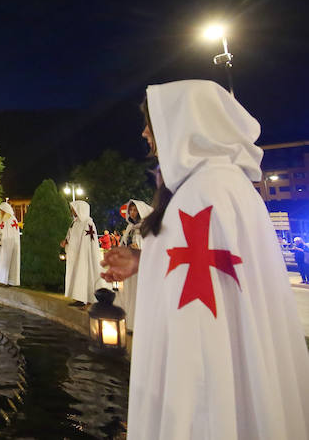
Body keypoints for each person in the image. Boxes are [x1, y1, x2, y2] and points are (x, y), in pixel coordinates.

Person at [101, 80, 309, 439]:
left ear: (184, 122)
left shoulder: (206, 190)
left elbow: (199, 290)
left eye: (152, 121)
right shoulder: (215, 185)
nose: (145, 132)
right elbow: (196, 261)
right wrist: (143, 259)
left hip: (205, 374)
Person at [115, 199, 153, 331]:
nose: (132, 212)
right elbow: (123, 244)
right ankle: (131, 324)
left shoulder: (147, 227)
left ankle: (142, 325)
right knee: (130, 294)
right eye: (130, 209)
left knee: (140, 295)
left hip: (142, 267)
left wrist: (140, 247)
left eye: (135, 209)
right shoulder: (130, 228)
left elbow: (153, 245)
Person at [60, 200, 107, 306]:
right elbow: (71, 235)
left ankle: (87, 298)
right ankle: (79, 297)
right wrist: (66, 241)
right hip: (75, 255)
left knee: (84, 275)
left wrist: (82, 253)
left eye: (74, 209)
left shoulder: (88, 223)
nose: (72, 211)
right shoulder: (75, 222)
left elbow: (89, 242)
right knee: (76, 275)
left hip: (84, 256)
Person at [0, 202, 20, 285]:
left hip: (9, 244)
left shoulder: (11, 219)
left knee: (7, 262)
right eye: (0, 210)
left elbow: (11, 233)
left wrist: (2, 235)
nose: (1, 212)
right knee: (0, 261)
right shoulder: (1, 220)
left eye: (2, 210)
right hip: (1, 244)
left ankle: (6, 280)